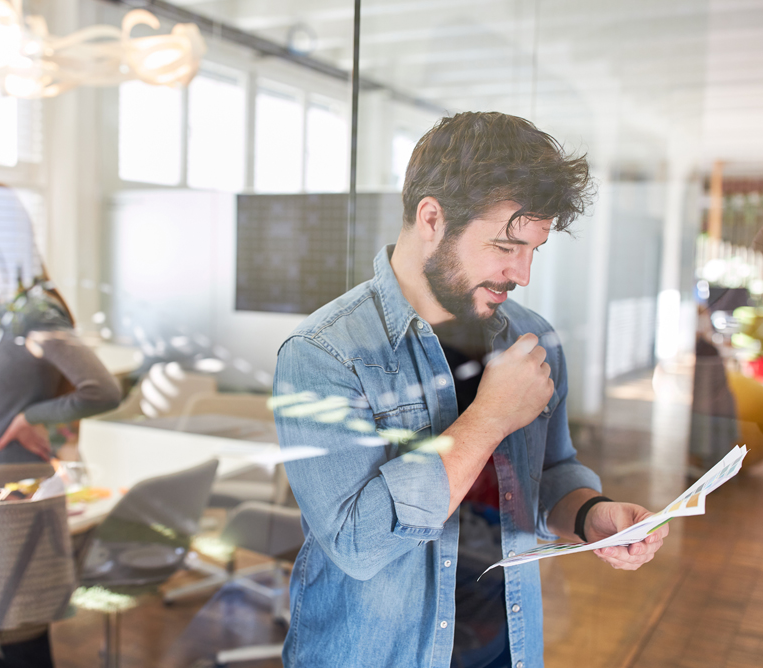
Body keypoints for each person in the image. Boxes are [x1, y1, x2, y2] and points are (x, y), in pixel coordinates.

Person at [272, 111, 669, 668]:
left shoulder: (535, 340)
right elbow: (358, 544)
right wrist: (489, 417)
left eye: (534, 249)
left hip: (508, 646)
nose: (523, 273)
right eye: (506, 246)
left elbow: (550, 472)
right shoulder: (326, 354)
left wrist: (589, 516)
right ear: (431, 217)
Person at [0, 184, 123, 667]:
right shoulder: (1, 309)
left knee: (17, 634)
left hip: (15, 490)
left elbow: (101, 389)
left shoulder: (36, 312)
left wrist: (32, 416)